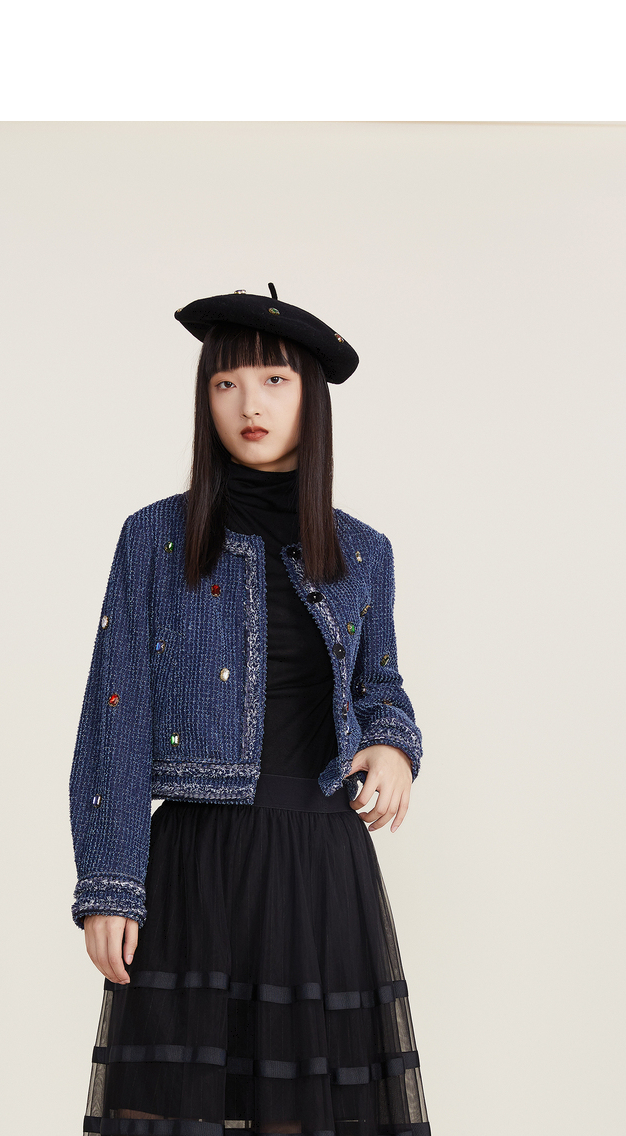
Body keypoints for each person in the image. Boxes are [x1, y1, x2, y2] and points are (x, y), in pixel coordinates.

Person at [69, 284, 431, 1135]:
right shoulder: (153, 538)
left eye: (274, 381)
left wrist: (393, 744)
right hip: (195, 870)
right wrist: (109, 882)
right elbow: (115, 713)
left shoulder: (363, 551)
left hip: (320, 873)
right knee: (169, 1109)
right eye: (226, 384)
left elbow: (380, 684)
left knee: (306, 1113)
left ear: (311, 399)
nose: (249, 405)